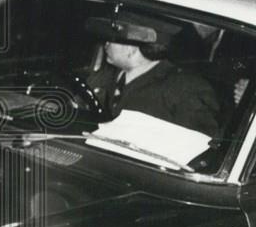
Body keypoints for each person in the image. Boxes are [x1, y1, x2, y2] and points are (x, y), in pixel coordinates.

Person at [84, 9, 221, 137]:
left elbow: (201, 143)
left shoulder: (184, 88)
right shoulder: (104, 76)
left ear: (131, 48)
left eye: (112, 40)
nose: (106, 44)